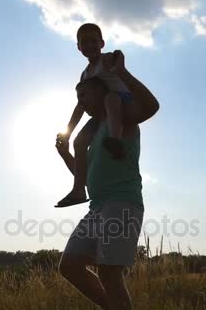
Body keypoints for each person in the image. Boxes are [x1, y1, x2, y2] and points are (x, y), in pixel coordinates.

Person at [56, 50, 159, 310]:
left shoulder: (123, 118)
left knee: (110, 273)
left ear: (101, 93)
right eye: (78, 100)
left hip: (122, 203)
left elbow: (151, 106)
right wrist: (66, 155)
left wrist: (122, 73)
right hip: (97, 207)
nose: (81, 104)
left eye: (84, 97)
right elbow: (87, 177)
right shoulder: (90, 134)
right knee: (70, 266)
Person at [55, 23, 158, 208]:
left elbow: (119, 62)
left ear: (102, 43)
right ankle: (78, 190)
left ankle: (115, 140)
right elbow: (80, 106)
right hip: (103, 112)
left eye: (94, 41)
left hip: (123, 101)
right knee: (79, 142)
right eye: (84, 42)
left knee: (111, 98)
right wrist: (68, 132)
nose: (89, 46)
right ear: (78, 47)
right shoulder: (85, 75)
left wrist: (119, 61)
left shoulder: (107, 59)